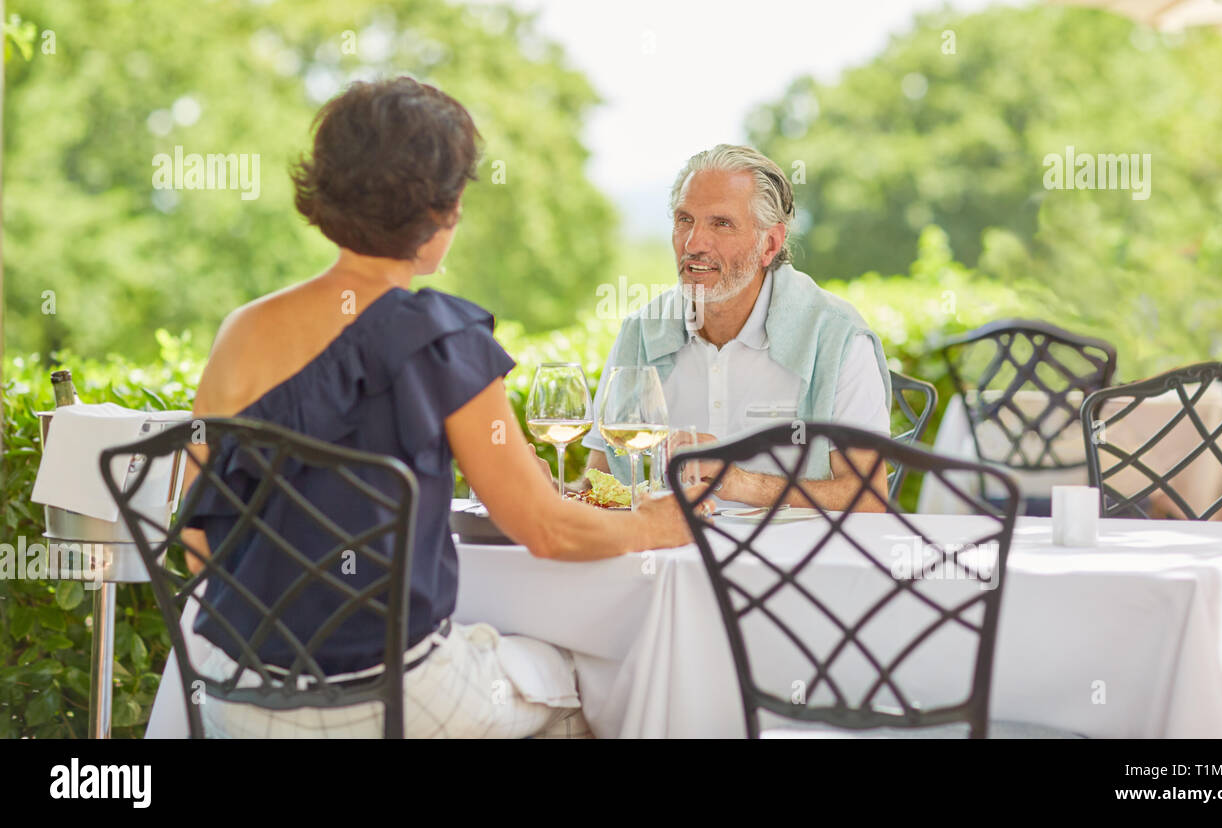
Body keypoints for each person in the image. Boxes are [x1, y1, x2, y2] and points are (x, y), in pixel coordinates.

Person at [180, 76, 701, 739]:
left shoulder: (241, 333)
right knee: (571, 687)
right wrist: (657, 526)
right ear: (441, 211)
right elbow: (547, 529)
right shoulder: (441, 338)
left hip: (237, 701)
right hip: (392, 701)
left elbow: (199, 536)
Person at [582, 144, 892, 511]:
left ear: (770, 244)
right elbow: (599, 484)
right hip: (667, 561)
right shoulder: (641, 332)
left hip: (793, 564)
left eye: (722, 224)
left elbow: (869, 499)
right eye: (684, 219)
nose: (694, 243)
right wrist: (547, 491)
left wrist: (739, 482)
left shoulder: (837, 339)